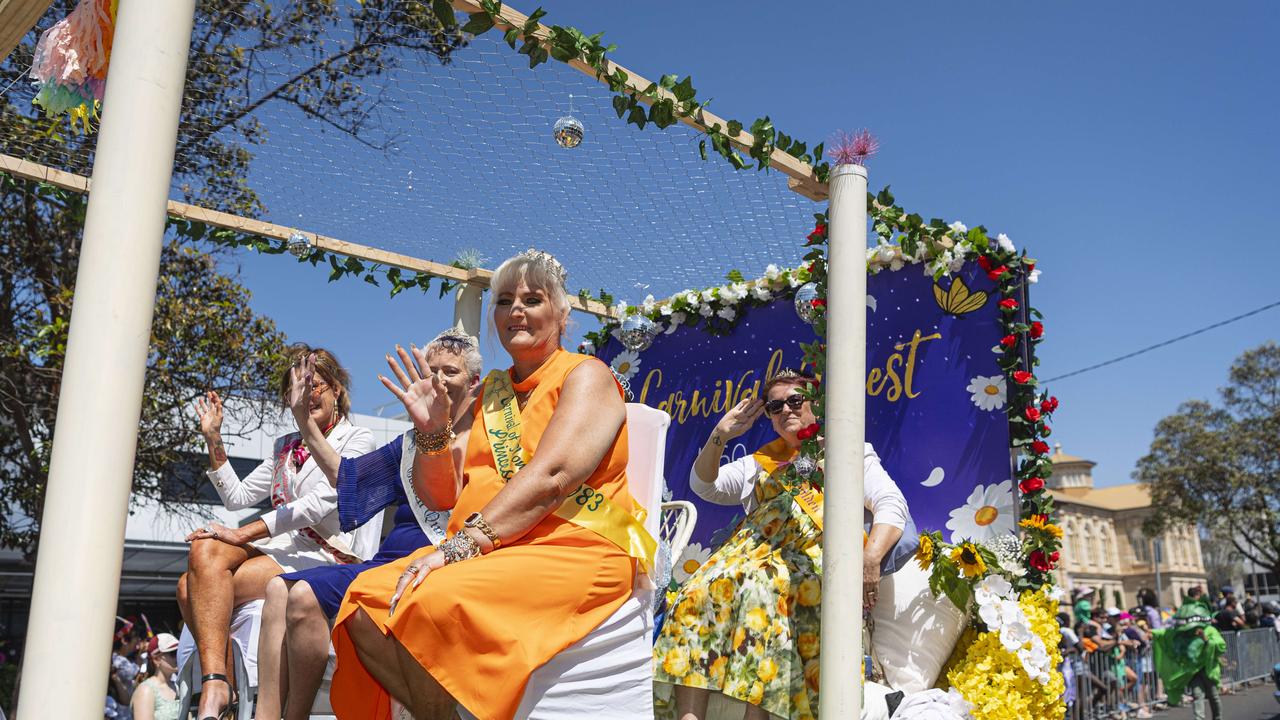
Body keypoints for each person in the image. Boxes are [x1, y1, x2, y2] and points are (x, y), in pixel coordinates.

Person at [329, 249, 654, 719]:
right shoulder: (490, 392)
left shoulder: (587, 375)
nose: (516, 310)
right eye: (504, 301)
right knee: (361, 603)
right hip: (495, 549)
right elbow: (441, 495)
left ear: (562, 314)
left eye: (532, 299)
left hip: (574, 549)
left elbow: (551, 480)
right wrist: (432, 433)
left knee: (431, 599)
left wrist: (457, 548)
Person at [653, 370, 914, 720]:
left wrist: (870, 558)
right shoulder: (760, 462)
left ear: (817, 405)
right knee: (696, 590)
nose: (786, 410)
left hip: (804, 563)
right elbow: (705, 486)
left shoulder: (846, 452)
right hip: (748, 558)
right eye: (776, 406)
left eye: (795, 400)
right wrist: (720, 435)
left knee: (763, 590)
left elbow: (891, 504)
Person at [254, 330, 483, 720]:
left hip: (446, 562)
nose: (440, 380)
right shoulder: (411, 442)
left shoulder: (492, 438)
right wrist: (303, 422)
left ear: (474, 383)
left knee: (338, 603)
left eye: (451, 371)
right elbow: (349, 478)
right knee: (285, 589)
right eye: (432, 372)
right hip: (389, 561)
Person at [177, 345, 378, 720]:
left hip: (327, 553)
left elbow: (319, 504)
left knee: (192, 589)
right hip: (282, 549)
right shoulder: (284, 446)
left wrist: (243, 535)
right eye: (297, 388)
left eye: (315, 385)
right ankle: (217, 684)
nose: (307, 394)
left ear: (338, 390)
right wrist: (213, 439)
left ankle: (222, 690)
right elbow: (236, 498)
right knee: (200, 555)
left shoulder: (358, 440)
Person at [1152, 586, 1225, 720]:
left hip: (1208, 668)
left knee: (1213, 696)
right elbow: (1167, 634)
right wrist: (1152, 633)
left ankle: (1218, 717)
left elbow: (1220, 646)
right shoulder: (1183, 634)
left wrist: (1205, 639)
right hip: (1193, 670)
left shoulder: (1209, 630)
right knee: (1197, 695)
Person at [129, 633, 181, 720]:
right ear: (157, 659)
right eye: (173, 653)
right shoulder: (146, 690)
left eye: (179, 652)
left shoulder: (178, 687)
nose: (177, 657)